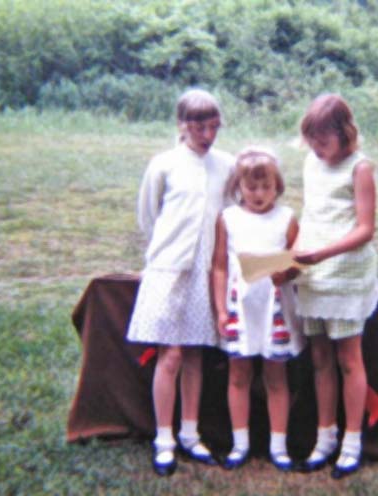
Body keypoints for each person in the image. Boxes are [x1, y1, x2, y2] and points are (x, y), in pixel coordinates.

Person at [126, 88, 234, 476]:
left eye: (214, 126)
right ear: (182, 125)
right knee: (169, 354)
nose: (207, 134)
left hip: (207, 270)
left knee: (194, 354)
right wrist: (170, 251)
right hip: (169, 268)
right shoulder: (164, 164)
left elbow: (233, 216)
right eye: (200, 126)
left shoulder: (227, 165)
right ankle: (164, 439)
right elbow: (149, 215)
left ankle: (191, 434)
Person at [293, 94, 378, 479]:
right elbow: (311, 213)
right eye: (312, 140)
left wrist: (323, 253)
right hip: (312, 274)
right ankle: (324, 438)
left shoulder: (360, 168)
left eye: (324, 141)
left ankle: (352, 442)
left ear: (344, 134)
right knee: (319, 360)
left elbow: (365, 229)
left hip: (345, 274)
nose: (317, 147)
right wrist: (293, 253)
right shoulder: (310, 163)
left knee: (348, 359)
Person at [211, 147, 304, 472]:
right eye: (252, 188)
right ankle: (240, 445)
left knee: (275, 376)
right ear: (239, 187)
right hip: (241, 308)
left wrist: (287, 268)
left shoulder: (287, 218)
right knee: (239, 375)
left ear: (277, 186)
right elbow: (220, 266)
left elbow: (298, 261)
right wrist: (221, 310)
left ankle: (279, 447)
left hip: (274, 310)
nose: (260, 194)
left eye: (267, 187)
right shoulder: (228, 218)